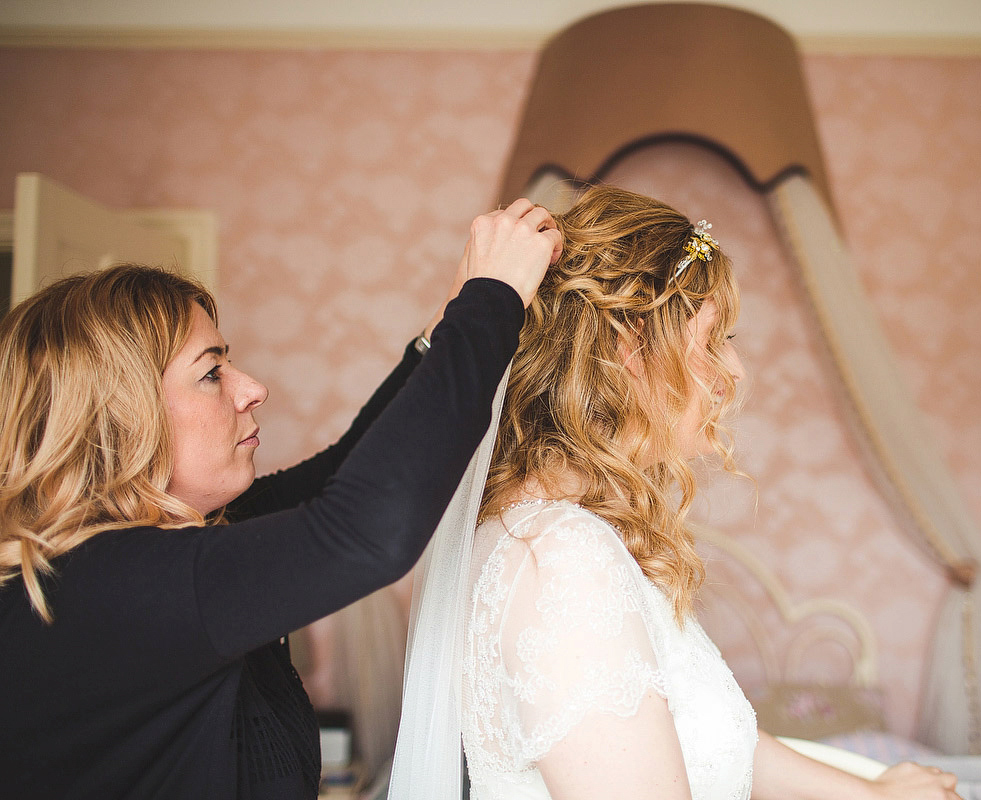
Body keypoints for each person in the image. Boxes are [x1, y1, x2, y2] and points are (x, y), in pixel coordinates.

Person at [0, 199, 561, 800]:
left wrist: (450, 319)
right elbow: (367, 532)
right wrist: (492, 299)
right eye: (212, 372)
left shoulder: (176, 545)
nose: (253, 389)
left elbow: (341, 469)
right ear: (120, 419)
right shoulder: (107, 585)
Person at [456, 186, 960, 800]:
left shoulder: (548, 530)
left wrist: (874, 795)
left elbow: (714, 736)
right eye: (717, 337)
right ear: (630, 349)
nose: (737, 371)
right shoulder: (559, 557)